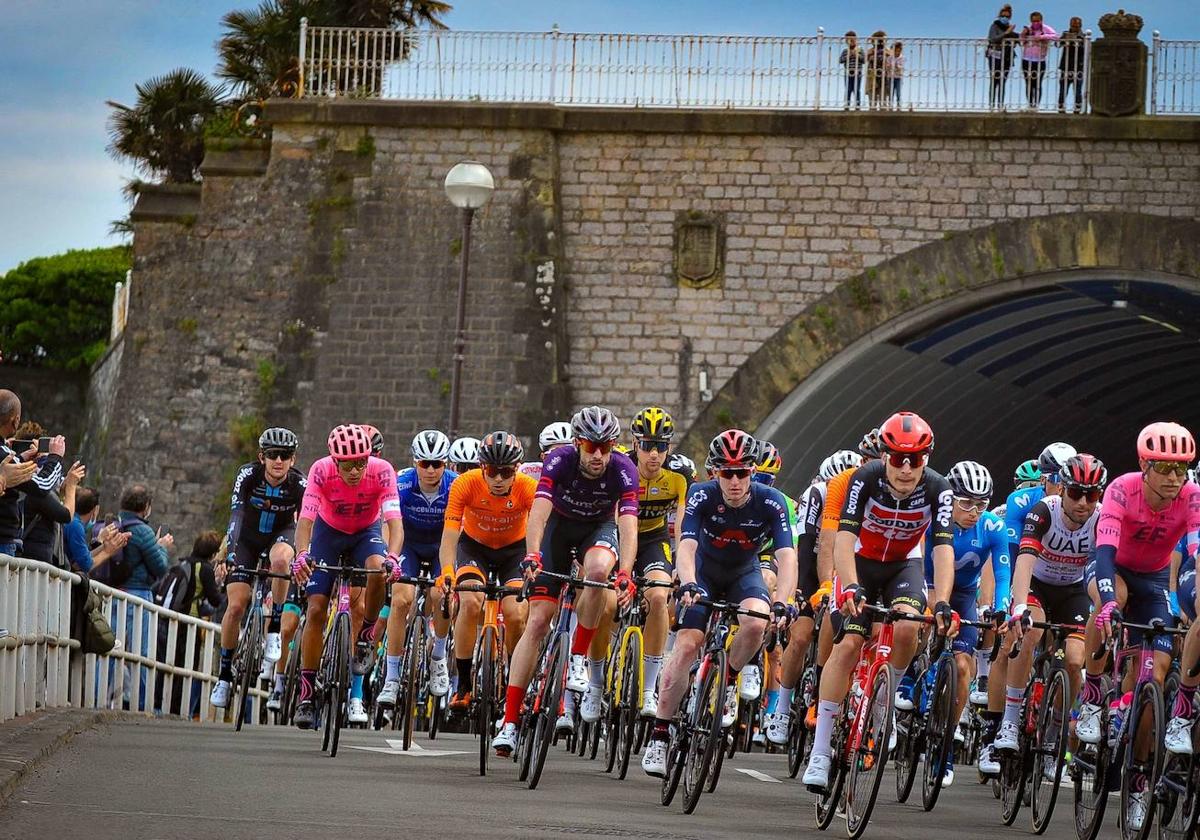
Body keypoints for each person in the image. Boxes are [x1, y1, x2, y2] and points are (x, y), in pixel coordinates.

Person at [803, 411, 956, 791]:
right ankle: (821, 751)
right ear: (885, 456)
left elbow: (943, 550)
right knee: (850, 643)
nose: (906, 469)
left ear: (927, 459)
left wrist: (943, 602)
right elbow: (841, 538)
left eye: (915, 460)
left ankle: (884, 703)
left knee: (907, 629)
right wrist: (850, 586)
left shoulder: (939, 490)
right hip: (861, 563)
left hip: (904, 565)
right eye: (898, 459)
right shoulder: (864, 479)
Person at [641, 430, 797, 777]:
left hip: (744, 573)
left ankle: (727, 679)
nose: (735, 481)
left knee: (757, 621)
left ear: (753, 472)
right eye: (727, 473)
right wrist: (689, 582)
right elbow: (687, 547)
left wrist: (782, 601)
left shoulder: (771, 501)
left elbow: (787, 557)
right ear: (714, 472)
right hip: (705, 575)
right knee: (685, 647)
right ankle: (660, 734)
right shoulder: (701, 494)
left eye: (742, 472)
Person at [490, 405, 639, 756]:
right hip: (558, 529)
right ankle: (510, 722)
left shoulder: (623, 469)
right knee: (539, 621)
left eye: (607, 446)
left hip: (597, 529)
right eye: (591, 447)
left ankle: (577, 657)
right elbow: (539, 513)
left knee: (599, 572)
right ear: (578, 443)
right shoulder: (560, 460)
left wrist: (627, 573)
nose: (599, 455)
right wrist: (532, 555)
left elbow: (628, 525)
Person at [1078, 424, 1199, 831]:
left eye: (1182, 469)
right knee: (1114, 600)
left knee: (1155, 675)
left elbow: (1197, 549)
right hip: (1111, 569)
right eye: (1165, 467)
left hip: (1154, 580)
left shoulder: (1192, 497)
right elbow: (1106, 550)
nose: (1174, 478)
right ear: (1145, 465)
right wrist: (1109, 600)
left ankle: (1137, 783)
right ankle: (1093, 693)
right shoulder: (1121, 489)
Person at [990, 454, 1105, 767]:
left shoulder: (1101, 519)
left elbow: (1100, 570)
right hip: (1037, 584)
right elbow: (1025, 561)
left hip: (1074, 590)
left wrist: (1103, 607)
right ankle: (1010, 722)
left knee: (1075, 658)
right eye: (1076, 493)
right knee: (1030, 633)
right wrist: (1020, 608)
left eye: (1091, 495)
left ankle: (1055, 727)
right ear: (1062, 490)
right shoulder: (1043, 511)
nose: (1083, 502)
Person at [290, 424, 403, 729]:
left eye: (361, 463)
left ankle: (366, 634)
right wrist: (301, 554)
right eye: (348, 465)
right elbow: (305, 521)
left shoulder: (382, 471)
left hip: (365, 533)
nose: (356, 471)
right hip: (328, 534)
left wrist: (393, 556)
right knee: (314, 610)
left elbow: (394, 522)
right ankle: (307, 693)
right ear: (334, 460)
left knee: (379, 567)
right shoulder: (320, 471)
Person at [210, 428, 305, 710]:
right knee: (236, 606)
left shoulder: (300, 484)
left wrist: (304, 554)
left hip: (282, 534)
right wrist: (228, 554)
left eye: (285, 456)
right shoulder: (247, 476)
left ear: (293, 458)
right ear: (261, 457)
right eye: (273, 455)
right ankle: (225, 677)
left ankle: (274, 627)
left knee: (279, 562)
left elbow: (306, 523)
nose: (279, 461)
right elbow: (236, 514)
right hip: (247, 538)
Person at [442, 431, 537, 710]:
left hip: (514, 551)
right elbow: (449, 535)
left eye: (505, 472)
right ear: (482, 467)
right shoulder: (465, 484)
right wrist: (447, 570)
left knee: (516, 612)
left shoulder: (527, 487)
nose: (498, 479)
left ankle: (514, 683)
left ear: (516, 469)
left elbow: (538, 530)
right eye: (492, 471)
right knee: (470, 601)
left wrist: (534, 560)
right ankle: (463, 684)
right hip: (475, 548)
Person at [376, 429, 456, 712]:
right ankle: (393, 676)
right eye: (425, 463)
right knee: (400, 600)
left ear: (447, 464)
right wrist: (392, 555)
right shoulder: (402, 483)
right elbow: (388, 524)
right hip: (408, 544)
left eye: (438, 464)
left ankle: (438, 656)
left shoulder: (455, 485)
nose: (431, 470)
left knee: (442, 597)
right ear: (415, 462)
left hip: (440, 548)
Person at [628, 407, 688, 717]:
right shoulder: (622, 467)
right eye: (648, 446)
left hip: (654, 541)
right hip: (620, 537)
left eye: (661, 446)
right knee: (607, 600)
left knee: (659, 595)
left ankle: (649, 688)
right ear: (635, 444)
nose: (654, 454)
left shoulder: (679, 476)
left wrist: (680, 565)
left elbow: (683, 526)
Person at [111, 483, 174, 711]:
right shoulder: (143, 531)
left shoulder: (114, 524)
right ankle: (142, 705)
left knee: (111, 647)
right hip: (138, 594)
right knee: (143, 652)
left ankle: (99, 698)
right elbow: (160, 567)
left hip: (114, 593)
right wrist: (162, 547)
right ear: (145, 506)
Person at [0, 389, 63, 556]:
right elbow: (42, 487)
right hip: (3, 540)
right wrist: (54, 458)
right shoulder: (3, 453)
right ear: (15, 421)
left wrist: (20, 458)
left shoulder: (6, 453)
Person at [1019, 11, 1058, 109]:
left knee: (1037, 84)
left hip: (1040, 60)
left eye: (1037, 21)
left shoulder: (1045, 28)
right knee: (1028, 83)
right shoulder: (1028, 29)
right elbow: (1021, 42)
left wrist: (1041, 37)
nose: (1035, 23)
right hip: (1026, 59)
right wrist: (1023, 34)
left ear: (1041, 20)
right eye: (1033, 21)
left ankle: (1036, 105)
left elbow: (1056, 36)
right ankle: (1030, 104)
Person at [986, 5, 1019, 109]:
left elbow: (1016, 40)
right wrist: (1006, 33)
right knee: (994, 80)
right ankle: (991, 105)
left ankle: (1000, 105)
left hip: (1007, 57)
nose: (1005, 18)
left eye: (1007, 16)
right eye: (1003, 15)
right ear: (1000, 15)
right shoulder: (994, 26)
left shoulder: (1010, 28)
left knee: (1002, 81)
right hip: (995, 55)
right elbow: (992, 39)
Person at [1057, 16, 1085, 113]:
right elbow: (1057, 45)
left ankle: (1077, 109)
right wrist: (1063, 40)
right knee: (1063, 89)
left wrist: (1078, 41)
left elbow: (1086, 49)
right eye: (1073, 26)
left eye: (1076, 26)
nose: (1074, 28)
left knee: (1077, 90)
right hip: (1066, 65)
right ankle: (1061, 108)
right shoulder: (1065, 34)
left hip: (1078, 66)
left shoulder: (1084, 36)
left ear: (1080, 26)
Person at [839, 31, 864, 110]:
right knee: (848, 89)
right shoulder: (845, 51)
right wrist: (849, 55)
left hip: (858, 72)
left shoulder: (860, 49)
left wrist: (856, 54)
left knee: (856, 89)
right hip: (848, 72)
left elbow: (863, 60)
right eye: (848, 40)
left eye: (852, 40)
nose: (851, 42)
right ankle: (847, 105)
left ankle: (857, 106)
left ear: (856, 40)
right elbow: (840, 60)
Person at [865, 31, 889, 110]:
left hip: (884, 75)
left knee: (883, 99)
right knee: (872, 100)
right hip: (872, 75)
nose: (881, 42)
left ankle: (883, 112)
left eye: (882, 40)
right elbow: (864, 60)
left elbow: (891, 57)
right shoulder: (871, 50)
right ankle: (872, 110)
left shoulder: (887, 51)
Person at [886, 42, 905, 109]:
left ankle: (898, 106)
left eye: (899, 51)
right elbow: (887, 67)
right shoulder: (889, 58)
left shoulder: (902, 58)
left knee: (898, 93)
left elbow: (901, 68)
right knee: (891, 93)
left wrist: (897, 67)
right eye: (896, 51)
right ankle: (890, 106)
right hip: (891, 77)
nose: (897, 52)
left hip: (898, 78)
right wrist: (889, 66)